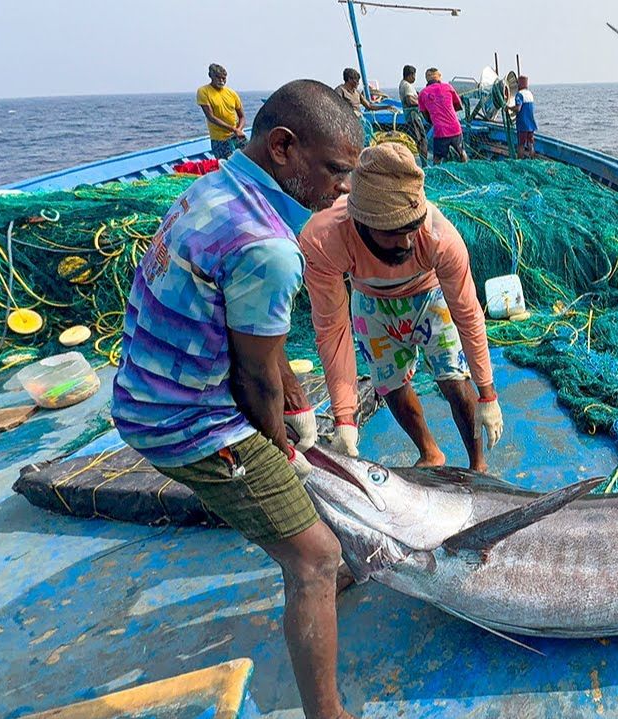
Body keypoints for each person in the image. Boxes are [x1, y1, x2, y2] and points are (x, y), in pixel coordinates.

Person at [112, 80, 363, 719]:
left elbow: (250, 332)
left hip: (142, 386)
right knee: (316, 557)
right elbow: (254, 380)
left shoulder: (215, 187)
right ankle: (327, 712)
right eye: (335, 170)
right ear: (283, 147)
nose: (343, 189)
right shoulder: (270, 247)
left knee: (303, 507)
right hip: (186, 421)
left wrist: (297, 401)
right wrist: (282, 450)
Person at [299, 143, 503, 470]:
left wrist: (488, 394)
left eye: (412, 228)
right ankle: (430, 451)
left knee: (453, 378)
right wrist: (344, 417)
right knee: (390, 385)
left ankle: (478, 465)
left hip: (428, 293)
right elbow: (332, 330)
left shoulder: (441, 238)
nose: (407, 243)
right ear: (362, 222)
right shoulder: (323, 239)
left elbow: (468, 315)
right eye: (394, 233)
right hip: (371, 302)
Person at [418, 67, 467, 163]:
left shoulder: (423, 93)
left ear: (427, 78)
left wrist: (435, 120)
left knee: (437, 158)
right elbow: (459, 106)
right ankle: (466, 167)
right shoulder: (448, 87)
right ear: (439, 77)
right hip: (455, 128)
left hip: (440, 130)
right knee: (462, 153)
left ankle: (436, 171)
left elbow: (425, 115)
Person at [197, 64, 246, 159]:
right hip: (219, 139)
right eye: (218, 77)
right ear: (210, 76)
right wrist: (234, 129)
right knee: (227, 163)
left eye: (223, 78)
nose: (221, 80)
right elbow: (211, 117)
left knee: (252, 158)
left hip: (236, 135)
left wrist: (239, 129)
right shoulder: (203, 91)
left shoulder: (231, 93)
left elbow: (242, 116)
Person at [398, 64, 428, 162]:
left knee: (418, 139)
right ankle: (424, 163)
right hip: (413, 116)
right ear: (410, 75)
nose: (415, 78)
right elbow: (409, 101)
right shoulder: (407, 85)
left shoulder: (404, 84)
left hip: (411, 116)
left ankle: (421, 160)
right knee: (422, 139)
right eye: (414, 75)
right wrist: (423, 103)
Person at [512, 74, 537, 158]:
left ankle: (519, 161)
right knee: (530, 143)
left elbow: (518, 108)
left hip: (523, 124)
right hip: (531, 123)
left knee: (521, 144)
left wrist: (509, 108)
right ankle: (533, 159)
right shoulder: (530, 94)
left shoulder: (519, 94)